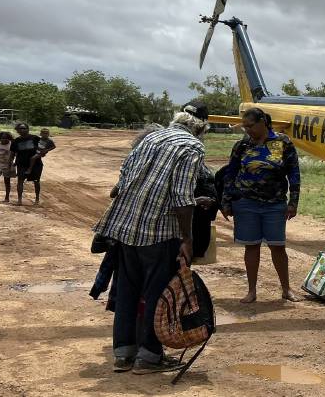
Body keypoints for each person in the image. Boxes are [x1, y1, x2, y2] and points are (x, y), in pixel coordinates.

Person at [93, 101, 207, 374]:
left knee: (128, 292)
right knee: (158, 294)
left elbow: (121, 181)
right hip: (159, 232)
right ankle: (149, 358)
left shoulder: (151, 137)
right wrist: (187, 238)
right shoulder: (191, 147)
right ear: (199, 130)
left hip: (124, 229)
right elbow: (181, 197)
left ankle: (123, 355)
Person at [220, 108, 302, 303]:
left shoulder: (283, 143)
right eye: (245, 126)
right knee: (251, 246)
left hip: (274, 204)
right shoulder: (241, 145)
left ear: (262, 122)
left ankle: (286, 289)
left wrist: (293, 202)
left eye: (250, 126)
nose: (247, 130)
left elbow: (294, 173)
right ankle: (251, 291)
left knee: (277, 246)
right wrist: (226, 201)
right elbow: (230, 174)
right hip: (246, 203)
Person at [10, 123, 40, 205]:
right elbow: (12, 154)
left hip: (36, 164)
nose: (22, 130)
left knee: (36, 181)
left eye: (24, 128)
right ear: (17, 130)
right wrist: (11, 163)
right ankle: (19, 200)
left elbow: (43, 147)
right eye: (20, 129)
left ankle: (37, 198)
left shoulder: (35, 138)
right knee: (20, 181)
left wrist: (40, 154)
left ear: (28, 129)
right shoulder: (16, 141)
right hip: (21, 163)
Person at [25, 128, 56, 204]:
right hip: (37, 151)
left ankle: (30, 169)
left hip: (40, 152)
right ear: (41, 134)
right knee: (31, 157)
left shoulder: (49, 141)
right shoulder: (38, 139)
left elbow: (54, 146)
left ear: (48, 134)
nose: (45, 135)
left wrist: (47, 150)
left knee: (33, 158)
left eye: (46, 133)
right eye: (44, 133)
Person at [0, 131, 15, 202]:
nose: (4, 139)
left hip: (7, 164)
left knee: (7, 181)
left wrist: (11, 164)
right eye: (2, 138)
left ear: (9, 138)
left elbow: (14, 155)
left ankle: (7, 197)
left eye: (6, 138)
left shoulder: (11, 145)